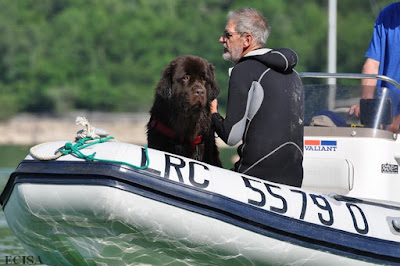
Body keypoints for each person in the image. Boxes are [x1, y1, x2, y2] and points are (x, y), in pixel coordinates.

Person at [210, 8, 304, 187]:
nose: (221, 39)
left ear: (247, 40)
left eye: (227, 34)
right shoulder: (294, 75)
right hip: (294, 183)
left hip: (253, 179)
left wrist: (213, 113)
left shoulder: (243, 70)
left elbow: (231, 136)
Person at [349, 2, 400, 133]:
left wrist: (398, 120)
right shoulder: (386, 15)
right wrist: (367, 106)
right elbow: (372, 64)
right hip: (385, 114)